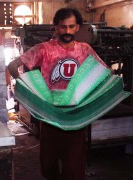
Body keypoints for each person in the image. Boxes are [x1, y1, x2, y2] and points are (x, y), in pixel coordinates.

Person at [8, 8, 108, 180]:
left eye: (71, 27)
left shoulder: (85, 50)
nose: (67, 31)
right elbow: (12, 66)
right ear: (56, 27)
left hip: (75, 116)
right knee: (48, 166)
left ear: (77, 27)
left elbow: (104, 72)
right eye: (63, 27)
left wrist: (94, 95)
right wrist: (27, 86)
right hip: (49, 114)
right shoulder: (44, 49)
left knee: (74, 168)